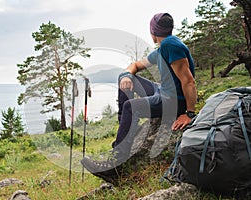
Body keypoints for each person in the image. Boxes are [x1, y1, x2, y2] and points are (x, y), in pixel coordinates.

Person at [81, 13, 197, 173]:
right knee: (124, 79)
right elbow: (135, 65)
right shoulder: (162, 48)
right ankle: (127, 128)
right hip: (162, 91)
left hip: (173, 101)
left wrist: (189, 113)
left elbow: (188, 81)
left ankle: (115, 163)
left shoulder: (171, 45)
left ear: (153, 32)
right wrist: (127, 75)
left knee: (130, 107)